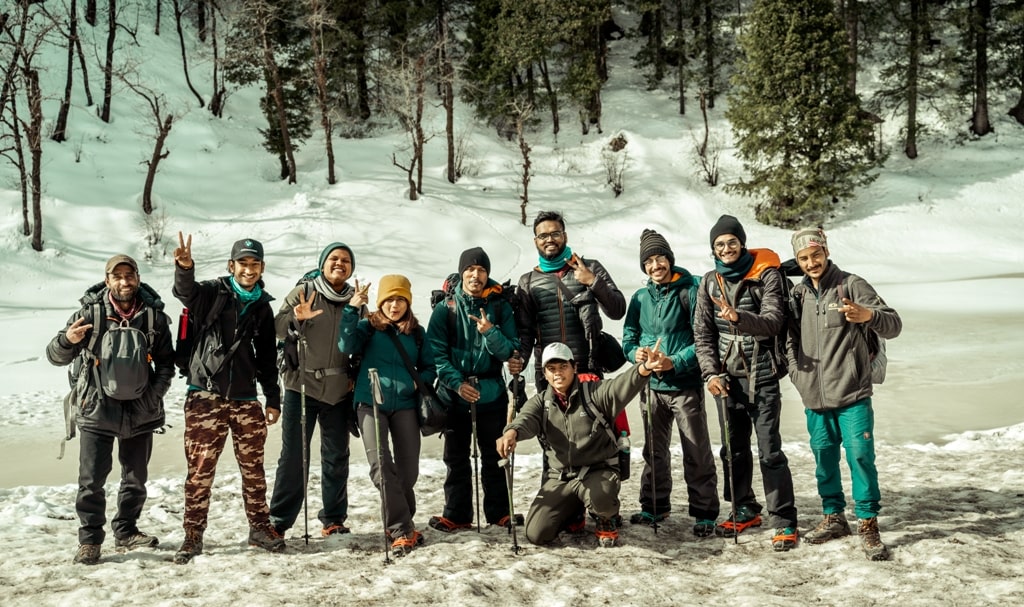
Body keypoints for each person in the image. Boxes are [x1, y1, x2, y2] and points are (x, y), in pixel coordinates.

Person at [46, 254, 175, 565]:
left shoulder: (154, 318)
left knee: (136, 479)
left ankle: (126, 530)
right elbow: (54, 356)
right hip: (96, 411)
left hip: (141, 412)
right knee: (91, 481)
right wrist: (67, 339)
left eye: (129, 275)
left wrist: (151, 398)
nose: (124, 281)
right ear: (107, 281)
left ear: (138, 278)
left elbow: (167, 365)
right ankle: (90, 541)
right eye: (116, 276)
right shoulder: (89, 314)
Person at [786, 228, 902, 561]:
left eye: (816, 255)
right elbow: (789, 341)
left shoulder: (852, 285)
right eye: (804, 258)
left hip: (852, 395)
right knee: (824, 462)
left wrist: (870, 316)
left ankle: (868, 523)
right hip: (815, 399)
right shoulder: (798, 296)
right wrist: (798, 375)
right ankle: (834, 517)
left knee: (861, 458)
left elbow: (894, 324)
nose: (811, 263)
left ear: (826, 251)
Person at [171, 233, 284, 564]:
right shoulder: (211, 293)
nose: (249, 270)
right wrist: (184, 268)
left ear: (262, 267)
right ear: (231, 265)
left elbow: (266, 358)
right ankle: (192, 536)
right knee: (201, 471)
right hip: (205, 396)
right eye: (243, 263)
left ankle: (260, 529)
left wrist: (272, 399)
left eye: (255, 264)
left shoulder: (262, 306)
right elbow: (185, 293)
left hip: (247, 400)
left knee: (254, 471)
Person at [693, 214, 799, 552]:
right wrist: (710, 374)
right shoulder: (709, 281)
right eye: (719, 244)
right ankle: (744, 507)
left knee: (770, 451)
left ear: (742, 242)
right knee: (732, 450)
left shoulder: (767, 275)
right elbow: (703, 333)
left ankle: (782, 518)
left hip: (763, 375)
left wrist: (740, 317)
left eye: (731, 242)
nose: (726, 249)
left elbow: (772, 321)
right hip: (727, 381)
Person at [496, 342, 665, 547]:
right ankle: (573, 514)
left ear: (574, 367)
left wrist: (645, 367)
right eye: (551, 369)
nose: (558, 373)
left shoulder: (594, 392)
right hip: (561, 478)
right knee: (537, 534)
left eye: (563, 367)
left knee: (600, 496)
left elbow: (623, 384)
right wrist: (511, 433)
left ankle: (605, 518)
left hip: (597, 472)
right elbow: (525, 419)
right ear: (545, 374)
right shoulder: (541, 402)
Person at [622, 230, 720, 537]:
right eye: (649, 261)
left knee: (696, 449)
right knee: (654, 451)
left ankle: (704, 512)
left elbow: (704, 338)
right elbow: (628, 336)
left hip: (684, 385)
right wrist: (633, 353)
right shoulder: (639, 298)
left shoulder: (690, 290)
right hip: (651, 387)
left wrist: (674, 362)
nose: (655, 265)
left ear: (669, 259)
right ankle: (654, 505)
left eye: (659, 258)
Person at [338, 274, 436, 556]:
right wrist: (350, 309)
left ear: (408, 302)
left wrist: (415, 382)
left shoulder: (416, 333)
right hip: (370, 403)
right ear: (381, 302)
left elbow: (429, 367)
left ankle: (401, 523)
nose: (395, 305)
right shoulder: (367, 327)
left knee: (408, 472)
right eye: (389, 299)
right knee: (381, 465)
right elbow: (345, 346)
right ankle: (401, 528)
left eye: (400, 299)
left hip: (405, 404)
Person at [269, 243, 361, 538]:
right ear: (323, 264)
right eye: (333, 259)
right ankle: (279, 521)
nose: (339, 263)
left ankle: (333, 519)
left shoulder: (355, 299)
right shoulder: (304, 291)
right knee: (295, 455)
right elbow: (278, 328)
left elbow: (361, 342)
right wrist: (297, 316)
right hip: (302, 385)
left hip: (338, 389)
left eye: (345, 260)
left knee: (336, 455)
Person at [426, 247, 521, 533]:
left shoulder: (500, 307)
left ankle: (500, 512)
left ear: (487, 275)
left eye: (481, 270)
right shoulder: (446, 308)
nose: (475, 275)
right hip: (454, 396)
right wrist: (457, 384)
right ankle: (456, 514)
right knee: (455, 458)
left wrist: (489, 331)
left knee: (495, 456)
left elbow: (511, 352)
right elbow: (437, 354)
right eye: (470, 269)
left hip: (491, 392)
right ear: (462, 273)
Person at [515, 210, 627, 390]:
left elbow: (618, 310)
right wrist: (518, 365)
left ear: (564, 236)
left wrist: (593, 281)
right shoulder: (527, 282)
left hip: (587, 370)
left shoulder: (590, 267)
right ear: (536, 241)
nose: (549, 239)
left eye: (555, 234)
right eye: (543, 235)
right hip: (550, 374)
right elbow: (525, 332)